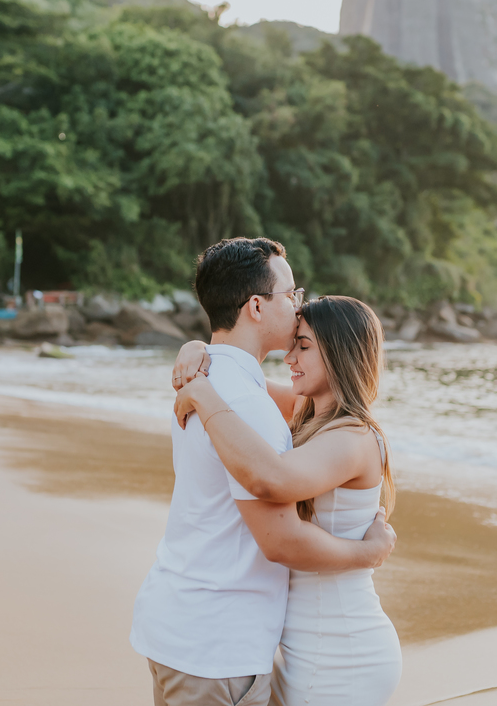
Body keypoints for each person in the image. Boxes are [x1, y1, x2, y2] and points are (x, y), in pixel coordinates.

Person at [130, 238, 397, 706]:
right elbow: (280, 533)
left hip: (262, 639)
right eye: (290, 295)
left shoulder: (234, 391)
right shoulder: (254, 402)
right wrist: (196, 359)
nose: (297, 308)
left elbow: (271, 477)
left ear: (336, 356)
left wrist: (199, 377)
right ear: (256, 305)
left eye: (305, 345)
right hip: (219, 642)